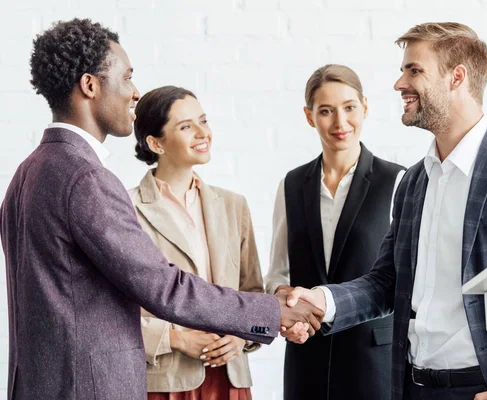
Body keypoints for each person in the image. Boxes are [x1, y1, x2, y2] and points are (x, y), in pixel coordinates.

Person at [0, 18, 322, 400]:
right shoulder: (86, 179)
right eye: (126, 78)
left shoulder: (27, 172)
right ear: (90, 85)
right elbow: (164, 286)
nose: (134, 93)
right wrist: (270, 313)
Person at [285, 22, 487, 400]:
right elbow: (387, 282)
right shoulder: (414, 182)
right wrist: (322, 301)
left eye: (414, 70)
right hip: (413, 387)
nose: (399, 84)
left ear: (456, 77)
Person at [265, 64, 405, 400]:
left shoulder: (397, 181)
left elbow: (402, 281)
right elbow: (276, 274)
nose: (340, 123)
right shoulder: (292, 184)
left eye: (349, 108)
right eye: (326, 111)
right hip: (305, 360)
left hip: (373, 363)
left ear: (365, 108)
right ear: (309, 116)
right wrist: (286, 304)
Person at [129, 85, 262, 400]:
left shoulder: (234, 205)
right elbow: (110, 313)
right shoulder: (127, 210)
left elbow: (254, 293)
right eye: (186, 126)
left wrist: (241, 338)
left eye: (203, 121)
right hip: (165, 382)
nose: (203, 132)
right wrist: (175, 339)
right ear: (155, 143)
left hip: (231, 378)